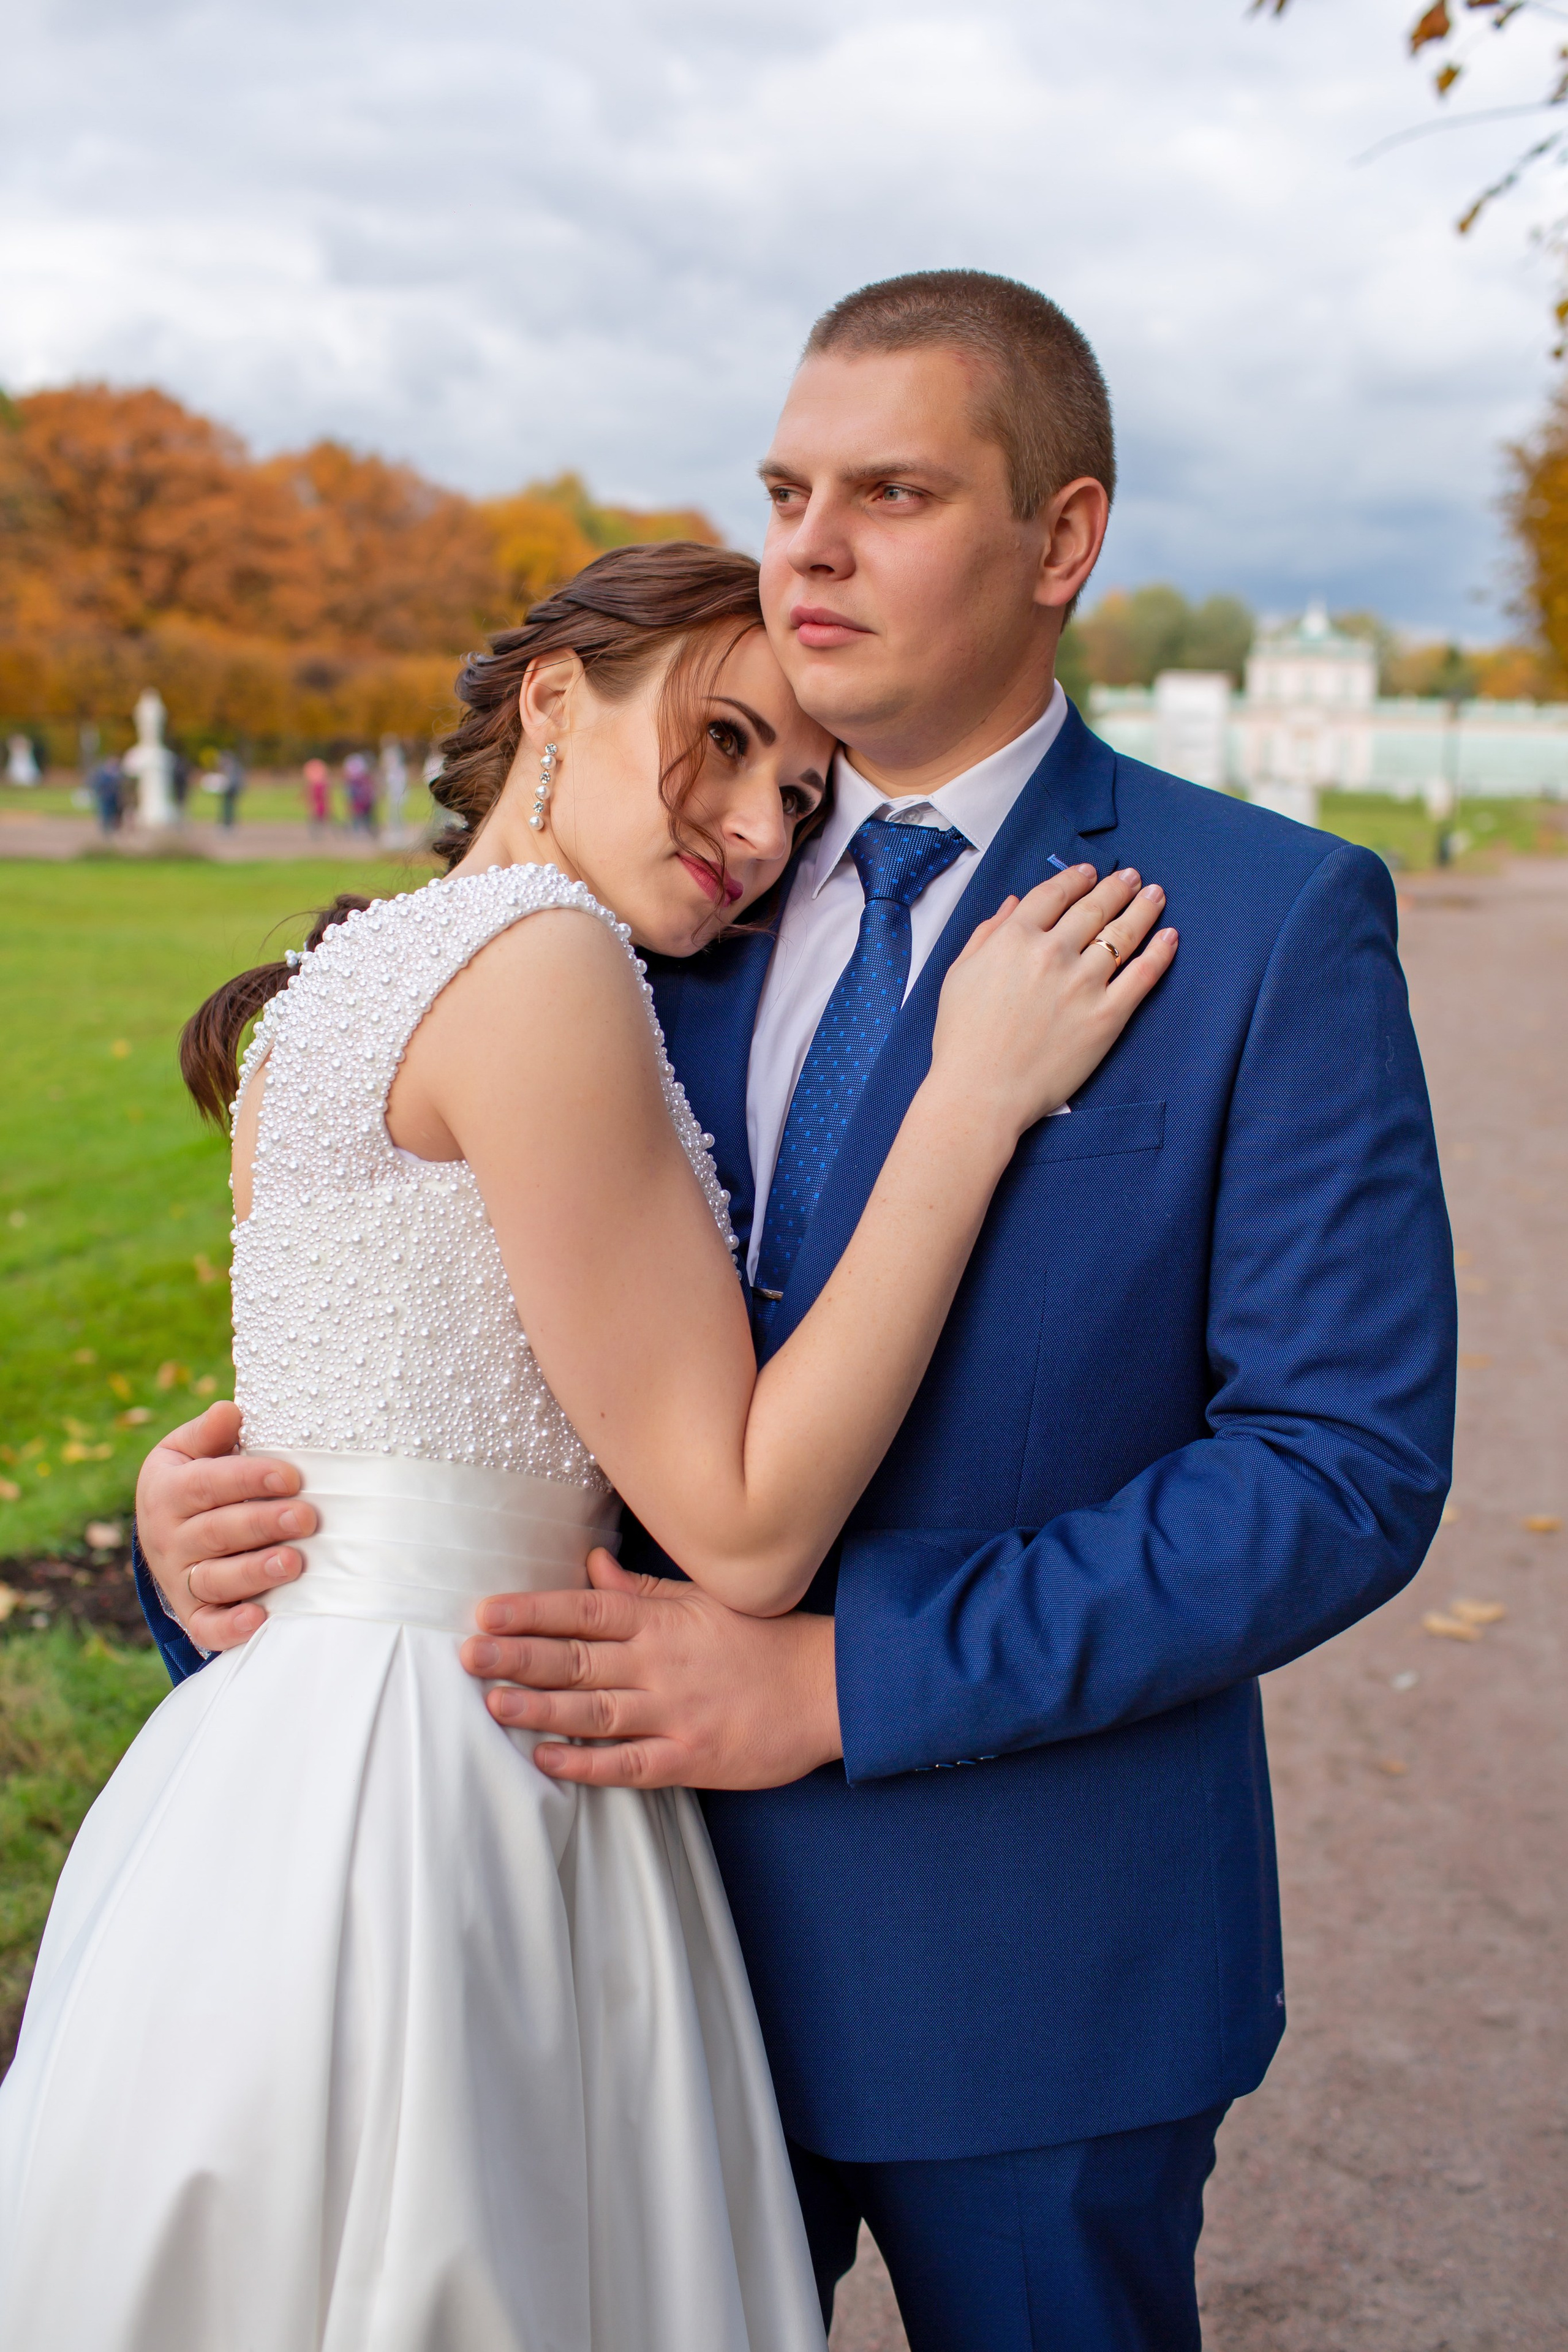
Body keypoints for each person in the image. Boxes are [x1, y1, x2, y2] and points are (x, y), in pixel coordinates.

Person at [135, 270, 1455, 2352]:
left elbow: (1338, 1473)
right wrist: (205, 1541)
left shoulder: (1267, 921)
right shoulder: (641, 904)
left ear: (1063, 542)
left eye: (896, 491)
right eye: (785, 486)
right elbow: (442, 1336)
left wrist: (845, 1684)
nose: (811, 543)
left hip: (1019, 1970)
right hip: (569, 1929)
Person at [0, 539, 1173, 2350]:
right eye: (711, 740)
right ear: (555, 697)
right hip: (451, 1789)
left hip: (271, 1782)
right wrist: (971, 1094)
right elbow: (747, 1529)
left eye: (795, 793)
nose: (758, 829)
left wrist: (182, 1498)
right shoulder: (546, 963)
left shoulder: (346, 973)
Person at [303, 754, 331, 835]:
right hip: (318, 803)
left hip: (319, 804)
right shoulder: (317, 785)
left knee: (318, 817)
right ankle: (316, 832)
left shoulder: (319, 785)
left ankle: (318, 832)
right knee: (316, 817)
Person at [217, 746, 246, 828]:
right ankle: (227, 823)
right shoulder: (230, 766)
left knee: (229, 807)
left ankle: (229, 824)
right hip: (228, 790)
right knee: (226, 807)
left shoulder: (233, 767)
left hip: (232, 790)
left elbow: (235, 780)